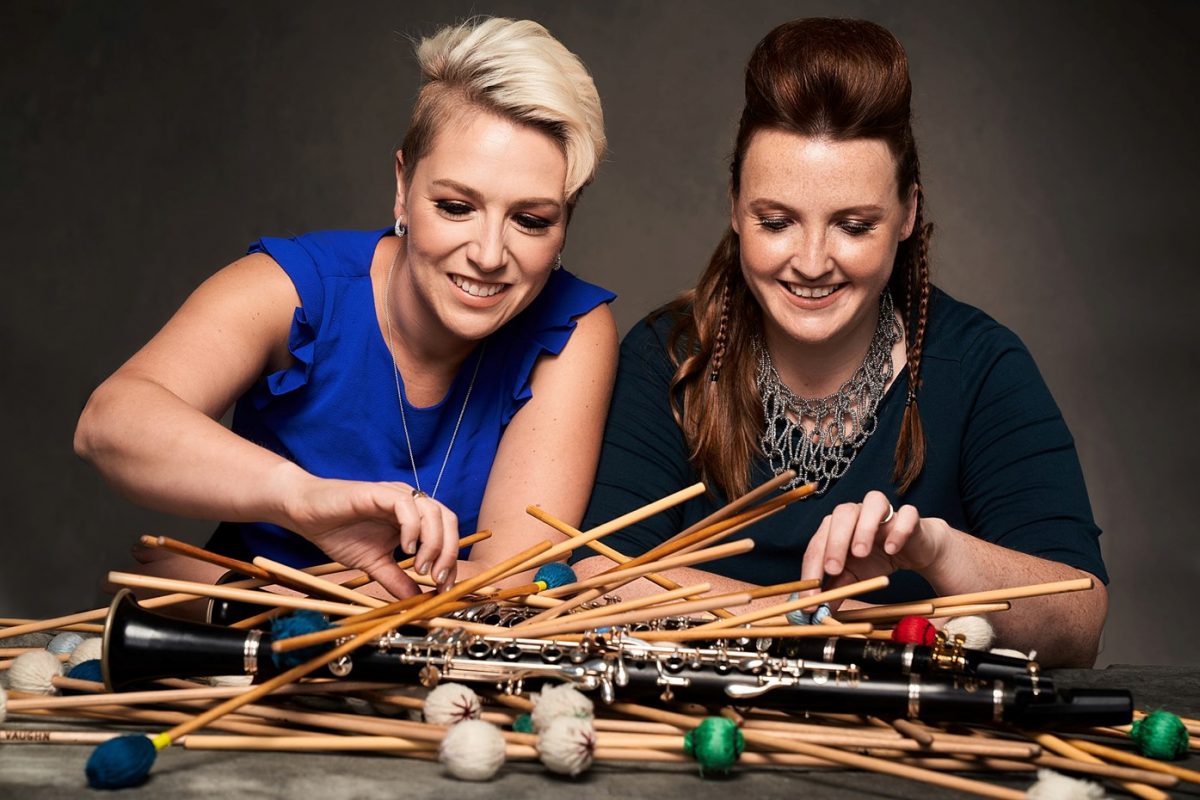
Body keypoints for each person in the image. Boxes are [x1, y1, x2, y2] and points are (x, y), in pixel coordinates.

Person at [576, 18, 1107, 667]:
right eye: (776, 221)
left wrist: (940, 553)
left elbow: (1078, 625)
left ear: (908, 213)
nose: (812, 261)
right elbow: (599, 582)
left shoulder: (981, 366)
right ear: (735, 204)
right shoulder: (667, 356)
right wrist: (834, 620)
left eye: (853, 226)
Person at [74, 17, 617, 601]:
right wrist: (302, 498)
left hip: (322, 639)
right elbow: (110, 425)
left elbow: (507, 589)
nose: (488, 255)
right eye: (457, 206)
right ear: (403, 185)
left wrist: (224, 590)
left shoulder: (573, 329)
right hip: (241, 669)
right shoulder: (298, 287)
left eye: (531, 221)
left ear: (566, 224)